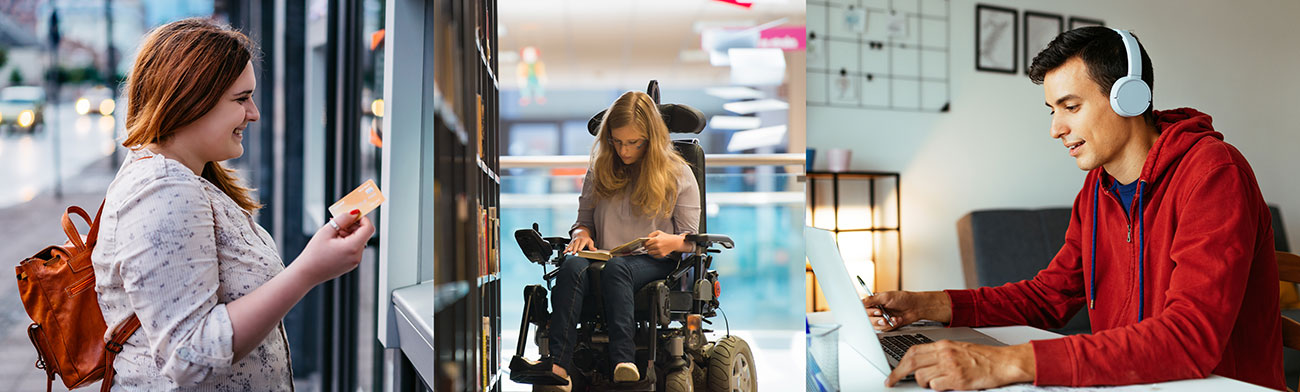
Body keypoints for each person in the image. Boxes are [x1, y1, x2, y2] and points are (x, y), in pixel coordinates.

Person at [862, 26, 1284, 391]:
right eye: (1052, 110)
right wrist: (927, 306)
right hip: (1134, 381)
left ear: (1130, 98)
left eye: (1070, 106)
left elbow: (1190, 338)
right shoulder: (1096, 191)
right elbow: (1048, 298)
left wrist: (1007, 363)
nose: (1055, 129)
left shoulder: (1212, 172)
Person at [91, 18, 374, 390]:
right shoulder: (163, 189)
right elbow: (189, 355)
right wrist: (308, 270)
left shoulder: (184, 179)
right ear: (190, 99)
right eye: (241, 99)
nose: (254, 113)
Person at [535, 91, 700, 391]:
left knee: (617, 270)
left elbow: (693, 241)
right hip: (605, 256)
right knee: (571, 267)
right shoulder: (599, 169)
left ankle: (623, 362)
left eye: (634, 143)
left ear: (650, 139)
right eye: (617, 141)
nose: (624, 150)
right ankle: (558, 366)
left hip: (653, 260)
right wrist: (582, 235)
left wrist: (671, 242)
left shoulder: (679, 174)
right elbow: (582, 222)